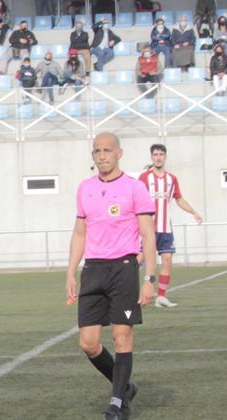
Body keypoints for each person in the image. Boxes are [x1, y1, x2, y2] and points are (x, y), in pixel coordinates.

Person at [64, 132, 157, 420]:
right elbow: (80, 232)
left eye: (107, 150)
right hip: (93, 270)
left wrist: (149, 278)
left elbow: (148, 235)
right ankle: (125, 387)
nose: (101, 155)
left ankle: (118, 404)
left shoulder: (135, 188)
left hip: (124, 268)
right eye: (97, 151)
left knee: (121, 336)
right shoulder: (85, 189)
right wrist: (70, 273)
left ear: (119, 153)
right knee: (88, 343)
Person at [137, 144, 204, 309]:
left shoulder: (171, 179)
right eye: (155, 154)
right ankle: (128, 292)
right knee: (137, 260)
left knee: (167, 261)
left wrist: (193, 212)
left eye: (161, 154)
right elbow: (136, 199)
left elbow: (179, 199)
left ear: (165, 157)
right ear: (151, 157)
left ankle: (161, 297)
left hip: (165, 228)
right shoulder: (144, 178)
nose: (158, 157)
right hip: (147, 229)